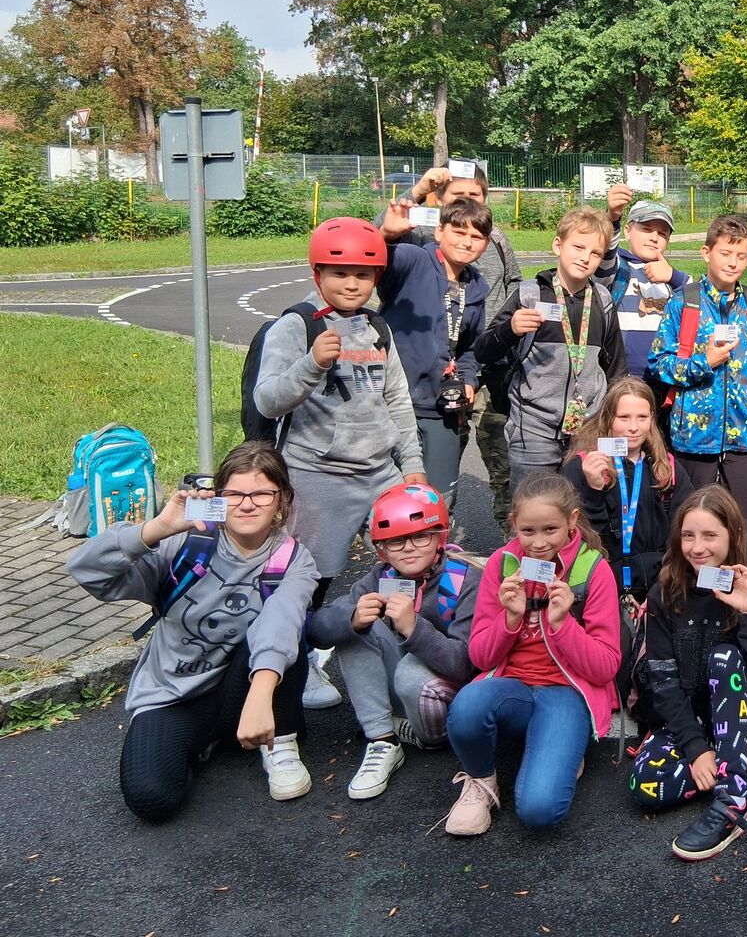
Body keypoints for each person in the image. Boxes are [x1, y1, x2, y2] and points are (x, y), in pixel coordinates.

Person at [66, 442, 319, 821]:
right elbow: (87, 571)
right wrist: (155, 529)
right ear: (218, 497)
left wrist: (260, 694)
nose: (247, 505)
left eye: (262, 494)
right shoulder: (185, 544)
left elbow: (280, 619)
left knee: (287, 631)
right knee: (151, 799)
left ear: (281, 499)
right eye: (235, 494)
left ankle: (279, 741)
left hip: (248, 688)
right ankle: (209, 738)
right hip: (175, 693)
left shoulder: (293, 559)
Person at [251, 216, 427, 709]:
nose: (352, 283)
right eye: (339, 273)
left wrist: (411, 465)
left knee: (412, 561)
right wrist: (312, 364)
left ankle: (404, 656)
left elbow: (397, 400)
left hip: (380, 471)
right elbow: (267, 400)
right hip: (318, 475)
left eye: (363, 275)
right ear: (317, 274)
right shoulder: (296, 325)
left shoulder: (377, 327)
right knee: (310, 578)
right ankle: (299, 664)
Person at [629, 485, 747, 860]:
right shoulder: (665, 592)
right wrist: (696, 750)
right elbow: (663, 683)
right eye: (688, 535)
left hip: (737, 712)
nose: (697, 548)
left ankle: (732, 804)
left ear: (733, 535)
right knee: (645, 785)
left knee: (724, 657)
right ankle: (746, 757)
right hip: (682, 718)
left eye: (710, 535)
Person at [443, 474, 622, 836]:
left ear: (572, 521)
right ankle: (481, 780)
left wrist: (563, 624)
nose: (539, 543)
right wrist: (509, 619)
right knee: (467, 706)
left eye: (550, 529)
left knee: (540, 811)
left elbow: (605, 668)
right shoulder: (502, 563)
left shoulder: (593, 569)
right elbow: (480, 658)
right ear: (513, 524)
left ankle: (565, 743)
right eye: (528, 531)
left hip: (567, 692)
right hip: (513, 687)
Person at [305, 482, 481, 800]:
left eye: (420, 536)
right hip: (405, 696)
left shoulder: (465, 579)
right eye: (396, 541)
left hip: (447, 700)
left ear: (440, 537)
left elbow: (465, 663)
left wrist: (414, 628)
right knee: (354, 628)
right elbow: (316, 632)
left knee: (411, 672)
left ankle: (426, 737)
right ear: (381, 551)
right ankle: (382, 739)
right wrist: (351, 619)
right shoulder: (382, 576)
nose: (409, 548)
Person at [389, 162, 523, 528]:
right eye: (458, 231)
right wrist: (396, 220)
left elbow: (510, 290)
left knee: (468, 478)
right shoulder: (417, 252)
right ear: (440, 220)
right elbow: (375, 252)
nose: (467, 240)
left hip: (468, 380)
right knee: (403, 486)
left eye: (474, 195)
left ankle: (502, 542)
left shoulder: (482, 270)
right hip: (406, 393)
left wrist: (473, 372)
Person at [475, 205, 626, 490]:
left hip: (586, 430)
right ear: (558, 245)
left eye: (595, 253)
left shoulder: (603, 302)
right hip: (534, 430)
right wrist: (510, 329)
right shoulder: (529, 295)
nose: (585, 257)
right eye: (578, 247)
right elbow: (483, 351)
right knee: (535, 505)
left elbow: (616, 367)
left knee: (583, 506)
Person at [649, 213, 747, 546]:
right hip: (694, 437)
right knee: (692, 522)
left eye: (741, 256)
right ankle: (690, 578)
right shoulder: (684, 303)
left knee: (743, 525)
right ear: (706, 253)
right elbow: (659, 363)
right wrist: (704, 363)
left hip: (744, 437)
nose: (733, 263)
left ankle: (744, 576)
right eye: (725, 253)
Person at [377, 196, 491, 504]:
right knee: (394, 499)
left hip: (441, 406)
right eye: (459, 232)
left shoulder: (476, 287)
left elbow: (469, 346)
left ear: (485, 244)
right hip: (393, 402)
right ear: (439, 231)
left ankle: (439, 536)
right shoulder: (414, 260)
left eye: (476, 236)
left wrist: (468, 377)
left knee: (440, 497)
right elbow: (376, 262)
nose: (467, 242)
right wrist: (387, 235)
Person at [563, 376, 679, 606]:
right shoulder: (583, 466)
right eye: (623, 417)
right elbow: (573, 536)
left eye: (642, 417)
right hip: (599, 585)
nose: (633, 427)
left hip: (657, 587)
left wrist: (663, 587)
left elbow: (681, 532)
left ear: (652, 419)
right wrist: (593, 491)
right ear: (607, 418)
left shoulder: (666, 467)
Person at [608, 196, 690, 400]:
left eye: (662, 233)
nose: (654, 237)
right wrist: (613, 217)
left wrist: (673, 277)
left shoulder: (673, 278)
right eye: (646, 229)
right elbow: (605, 252)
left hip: (664, 382)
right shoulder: (616, 268)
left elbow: (702, 301)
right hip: (620, 381)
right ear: (627, 231)